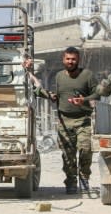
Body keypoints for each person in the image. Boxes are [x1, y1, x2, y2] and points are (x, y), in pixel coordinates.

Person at [31, 47, 98, 194]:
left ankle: (84, 178)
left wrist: (84, 100)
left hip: (83, 120)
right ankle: (71, 182)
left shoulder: (87, 75)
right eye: (68, 59)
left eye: (73, 59)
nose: (70, 62)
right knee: (68, 154)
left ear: (78, 60)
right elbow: (58, 94)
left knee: (86, 149)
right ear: (63, 60)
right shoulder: (59, 76)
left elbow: (97, 94)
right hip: (64, 121)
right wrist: (52, 96)